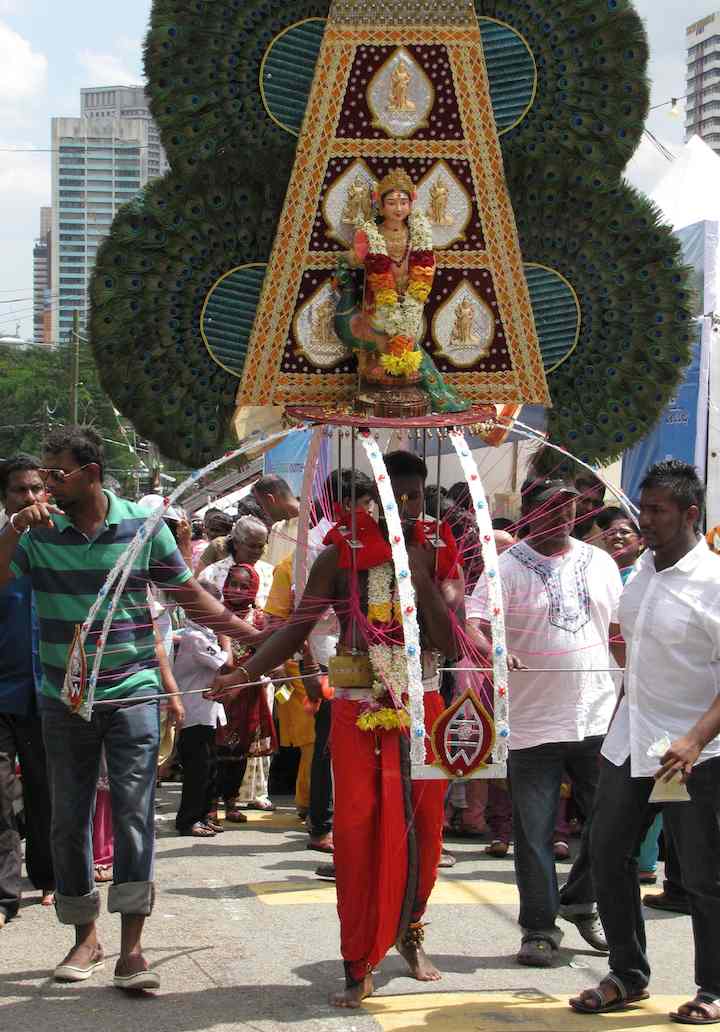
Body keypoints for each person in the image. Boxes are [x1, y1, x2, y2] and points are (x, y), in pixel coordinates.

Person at [0, 425, 265, 989]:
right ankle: (84, 940)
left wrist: (256, 639)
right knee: (67, 822)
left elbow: (188, 596)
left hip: (134, 694)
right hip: (62, 699)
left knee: (134, 817)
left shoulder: (144, 529)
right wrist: (12, 528)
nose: (45, 486)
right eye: (43, 475)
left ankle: (132, 951)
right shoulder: (37, 533)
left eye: (56, 474)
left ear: (90, 474)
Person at [209, 450, 462, 1007]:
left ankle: (410, 930)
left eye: (415, 497)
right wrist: (244, 672)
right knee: (356, 827)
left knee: (426, 827)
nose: (405, 508)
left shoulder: (441, 550)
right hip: (355, 703)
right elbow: (296, 627)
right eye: (393, 498)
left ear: (425, 498)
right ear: (375, 499)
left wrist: (417, 575)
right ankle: (357, 959)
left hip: (422, 704)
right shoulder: (340, 555)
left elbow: (449, 639)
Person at [570, 460, 720, 1025]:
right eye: (643, 507)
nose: (644, 520)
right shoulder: (642, 574)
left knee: (704, 876)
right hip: (631, 744)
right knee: (608, 856)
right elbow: (627, 644)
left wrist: (694, 737)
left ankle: (713, 987)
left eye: (656, 510)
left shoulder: (714, 583)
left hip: (691, 758)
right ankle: (627, 975)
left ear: (690, 514)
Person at [468, 473, 623, 967]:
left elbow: (620, 629)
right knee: (533, 833)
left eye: (571, 507)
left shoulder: (598, 561)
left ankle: (579, 900)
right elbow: (474, 623)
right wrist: (496, 652)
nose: (564, 516)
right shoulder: (505, 567)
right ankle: (539, 928)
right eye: (553, 507)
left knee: (614, 822)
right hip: (533, 722)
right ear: (530, 511)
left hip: (598, 712)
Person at [0, 455, 54, 926]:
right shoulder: (6, 543)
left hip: (49, 690)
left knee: (45, 790)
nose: (31, 498)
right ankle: (4, 893)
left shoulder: (61, 543)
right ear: (6, 498)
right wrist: (14, 529)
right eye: (20, 490)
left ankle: (49, 877)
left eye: (37, 489)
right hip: (3, 690)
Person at [174, 580, 230, 838]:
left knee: (208, 767)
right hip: (193, 713)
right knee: (197, 770)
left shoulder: (203, 634)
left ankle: (202, 815)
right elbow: (225, 662)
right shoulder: (195, 637)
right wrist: (226, 635)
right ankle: (188, 820)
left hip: (206, 712)